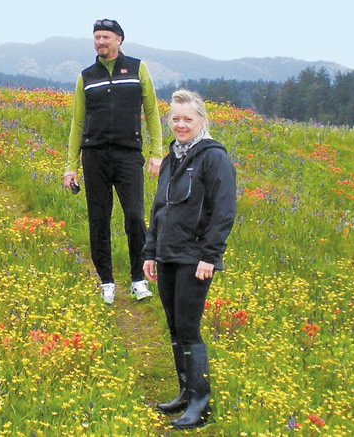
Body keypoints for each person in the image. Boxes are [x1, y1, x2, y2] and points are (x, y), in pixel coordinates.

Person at [142, 89, 236, 429]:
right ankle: (185, 393)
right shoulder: (171, 158)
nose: (181, 125)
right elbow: (159, 209)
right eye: (176, 119)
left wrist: (210, 256)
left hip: (196, 258)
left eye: (187, 119)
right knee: (174, 326)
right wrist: (150, 252)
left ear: (201, 121)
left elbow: (224, 212)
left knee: (190, 330)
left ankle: (201, 403)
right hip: (167, 254)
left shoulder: (214, 158)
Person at [62, 18, 164, 305]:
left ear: (119, 39)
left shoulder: (136, 69)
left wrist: (157, 152)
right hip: (94, 156)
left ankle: (138, 279)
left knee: (134, 216)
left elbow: (153, 112)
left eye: (106, 37)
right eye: (97, 37)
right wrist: (71, 165)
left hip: (128, 155)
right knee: (99, 220)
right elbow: (77, 123)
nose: (100, 42)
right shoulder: (86, 76)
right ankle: (106, 281)